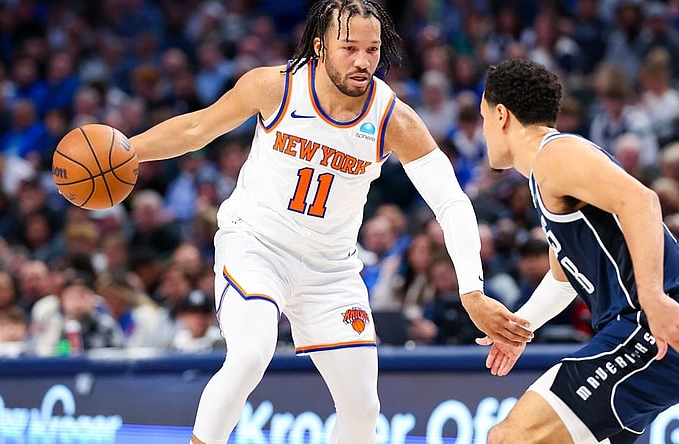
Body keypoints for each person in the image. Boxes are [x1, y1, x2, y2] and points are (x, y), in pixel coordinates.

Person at [127, 2, 530, 443]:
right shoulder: (275, 87)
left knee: (363, 409)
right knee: (250, 356)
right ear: (320, 47)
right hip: (256, 245)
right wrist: (129, 150)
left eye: (372, 50)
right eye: (349, 48)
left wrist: (472, 291)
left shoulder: (391, 118)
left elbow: (451, 202)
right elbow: (194, 130)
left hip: (331, 268)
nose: (362, 61)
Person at [476, 58, 679, 444]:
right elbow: (564, 277)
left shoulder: (556, 155)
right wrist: (521, 327)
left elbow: (642, 201)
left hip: (648, 327)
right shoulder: (548, 175)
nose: (483, 130)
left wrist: (653, 298)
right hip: (644, 333)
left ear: (501, 115)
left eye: (484, 118)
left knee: (509, 439)